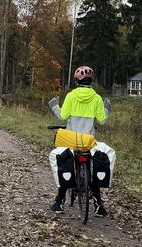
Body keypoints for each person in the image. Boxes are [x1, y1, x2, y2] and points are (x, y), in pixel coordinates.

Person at [48, 65, 115, 216]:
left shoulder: (71, 96)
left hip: (72, 140)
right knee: (92, 169)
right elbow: (102, 121)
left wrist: (53, 106)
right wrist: (107, 108)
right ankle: (99, 206)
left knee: (66, 163)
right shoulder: (97, 98)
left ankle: (59, 202)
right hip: (88, 142)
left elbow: (62, 117)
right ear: (91, 80)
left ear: (76, 80)